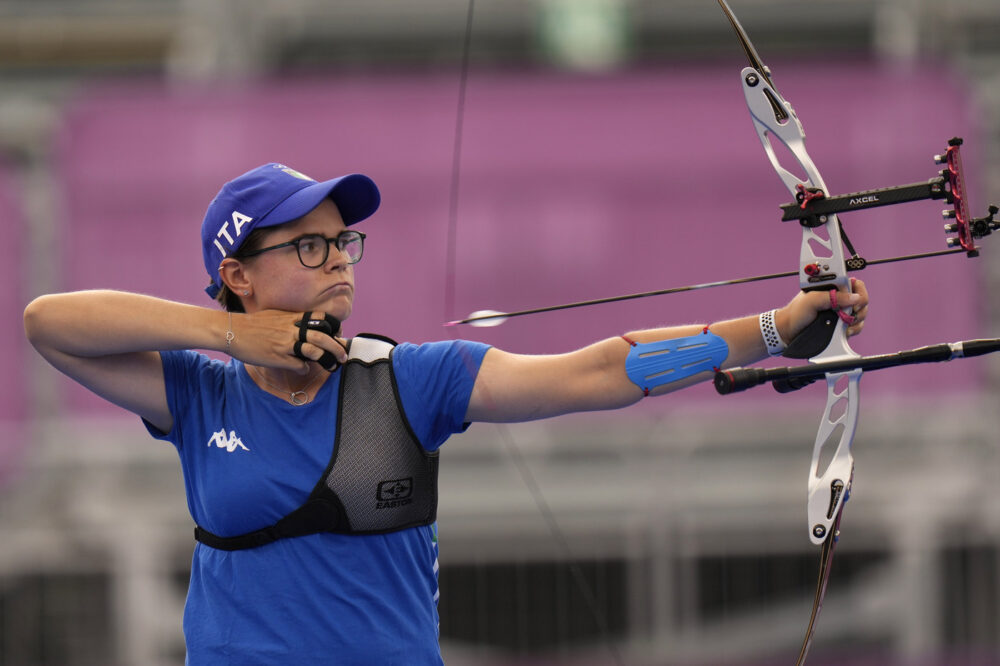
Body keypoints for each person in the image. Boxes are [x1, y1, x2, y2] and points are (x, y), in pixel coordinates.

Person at [23, 163, 869, 665]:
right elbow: (49, 324)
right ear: (238, 273)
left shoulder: (409, 382)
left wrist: (775, 329)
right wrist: (231, 335)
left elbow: (602, 371)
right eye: (308, 247)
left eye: (342, 243)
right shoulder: (198, 393)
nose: (337, 262)